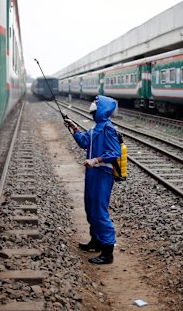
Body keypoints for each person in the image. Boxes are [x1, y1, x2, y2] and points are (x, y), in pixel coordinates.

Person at [64, 95, 121, 264]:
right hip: (92, 174)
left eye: (95, 108)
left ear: (102, 109)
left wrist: (95, 160)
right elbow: (84, 142)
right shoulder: (97, 128)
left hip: (103, 173)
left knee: (100, 211)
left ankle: (107, 252)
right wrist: (74, 127)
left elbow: (114, 152)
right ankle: (96, 241)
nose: (93, 111)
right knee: (91, 208)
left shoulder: (108, 129)